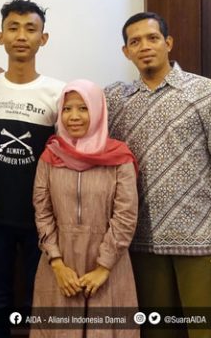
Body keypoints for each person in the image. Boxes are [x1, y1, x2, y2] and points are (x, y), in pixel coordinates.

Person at [106, 12, 211, 338]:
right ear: (126, 51)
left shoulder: (206, 92)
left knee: (208, 333)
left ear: (168, 43)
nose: (144, 46)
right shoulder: (114, 100)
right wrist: (1, 77)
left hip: (202, 240)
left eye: (152, 38)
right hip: (141, 241)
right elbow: (71, 107)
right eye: (135, 41)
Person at [0, 0, 65, 336]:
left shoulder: (58, 93)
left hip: (43, 218)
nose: (21, 36)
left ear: (43, 38)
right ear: (0, 37)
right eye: (13, 28)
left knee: (42, 299)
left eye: (30, 29)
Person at [31, 79, 138, 338]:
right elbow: (42, 211)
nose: (74, 117)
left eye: (83, 108)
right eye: (67, 109)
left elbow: (125, 215)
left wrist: (103, 267)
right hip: (59, 262)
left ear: (98, 110)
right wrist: (57, 263)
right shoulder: (50, 156)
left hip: (109, 263)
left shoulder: (119, 157)